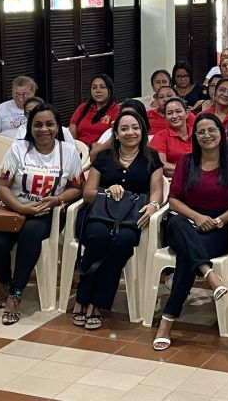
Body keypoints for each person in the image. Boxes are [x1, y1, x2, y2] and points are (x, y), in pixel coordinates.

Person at [152, 115, 228, 351]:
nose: (207, 135)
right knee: (177, 224)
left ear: (221, 133)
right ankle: (208, 273)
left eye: (211, 130)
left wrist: (217, 221)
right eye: (201, 132)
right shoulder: (187, 162)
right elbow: (174, 200)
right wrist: (197, 217)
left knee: (187, 257)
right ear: (194, 136)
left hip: (220, 226)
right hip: (187, 221)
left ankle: (167, 320)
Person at [0, 104, 83, 325]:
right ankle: (5, 282)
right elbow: (2, 186)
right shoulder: (18, 149)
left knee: (30, 233)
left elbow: (78, 188)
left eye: (49, 124)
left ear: (57, 127)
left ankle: (15, 294)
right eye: (37, 125)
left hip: (47, 213)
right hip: (15, 210)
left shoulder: (68, 151)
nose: (43, 129)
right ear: (30, 127)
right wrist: (21, 208)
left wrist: (57, 199)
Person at [72, 112, 164, 329]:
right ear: (115, 133)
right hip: (100, 214)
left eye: (135, 128)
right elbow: (88, 193)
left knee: (121, 243)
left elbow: (156, 191)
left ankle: (96, 302)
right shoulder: (104, 157)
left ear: (142, 131)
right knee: (98, 237)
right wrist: (106, 190)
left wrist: (153, 205)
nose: (130, 133)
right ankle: (83, 298)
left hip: (130, 219)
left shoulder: (152, 158)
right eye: (124, 128)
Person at [150, 98, 195, 177]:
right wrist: (187, 170)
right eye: (169, 113)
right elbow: (160, 164)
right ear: (165, 117)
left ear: (187, 114)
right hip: (173, 179)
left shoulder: (197, 133)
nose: (174, 116)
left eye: (178, 111)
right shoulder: (160, 136)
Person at [69, 75, 119, 145]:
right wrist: (74, 146)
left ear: (110, 89)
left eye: (102, 87)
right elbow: (73, 125)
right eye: (94, 87)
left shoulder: (116, 109)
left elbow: (114, 136)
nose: (98, 91)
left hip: (102, 149)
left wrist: (93, 148)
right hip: (80, 148)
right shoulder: (83, 107)